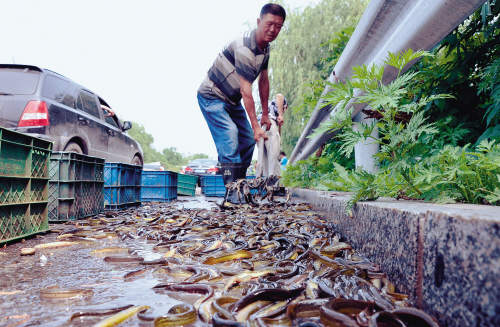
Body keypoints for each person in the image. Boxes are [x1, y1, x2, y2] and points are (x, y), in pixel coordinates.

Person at [197, 3, 286, 196]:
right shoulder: (245, 47)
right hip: (212, 95)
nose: (273, 30)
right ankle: (233, 191)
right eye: (269, 24)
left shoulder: (265, 49)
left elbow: (263, 81)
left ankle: (239, 184)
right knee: (230, 134)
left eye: (278, 26)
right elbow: (247, 90)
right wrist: (255, 125)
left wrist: (264, 114)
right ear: (258, 21)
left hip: (232, 100)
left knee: (246, 141)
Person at [256, 94, 288, 177]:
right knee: (273, 159)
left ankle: (266, 184)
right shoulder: (280, 104)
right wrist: (281, 114)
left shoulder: (269, 108)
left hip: (258, 126)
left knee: (265, 160)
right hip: (269, 123)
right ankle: (274, 186)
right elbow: (279, 96)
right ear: (286, 107)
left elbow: (278, 131)